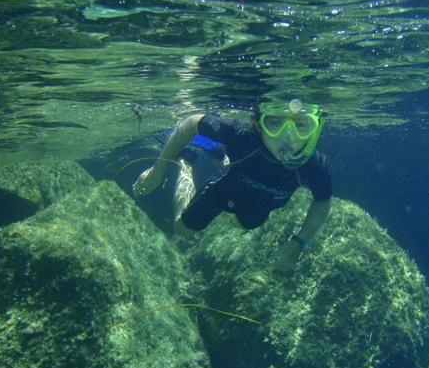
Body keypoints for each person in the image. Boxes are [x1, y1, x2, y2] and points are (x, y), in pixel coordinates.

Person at [133, 99, 333, 271]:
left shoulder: (314, 167)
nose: (288, 137)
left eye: (300, 125)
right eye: (274, 123)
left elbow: (323, 200)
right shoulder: (242, 137)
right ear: (258, 125)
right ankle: (187, 162)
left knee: (243, 226)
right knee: (182, 230)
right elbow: (191, 122)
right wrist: (158, 170)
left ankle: (220, 156)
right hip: (225, 188)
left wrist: (300, 241)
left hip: (258, 208)